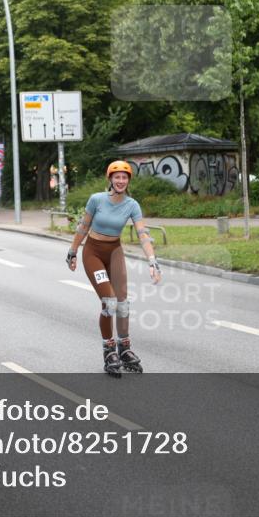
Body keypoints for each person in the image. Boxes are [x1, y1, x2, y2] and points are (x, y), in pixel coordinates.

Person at [66, 160, 161, 376]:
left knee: (123, 304)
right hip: (93, 253)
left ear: (128, 181)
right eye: (116, 177)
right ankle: (109, 350)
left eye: (124, 177)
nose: (120, 181)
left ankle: (124, 348)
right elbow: (83, 226)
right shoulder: (96, 200)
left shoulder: (132, 205)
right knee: (109, 302)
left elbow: (143, 234)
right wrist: (72, 251)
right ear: (110, 179)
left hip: (115, 253)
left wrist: (152, 260)